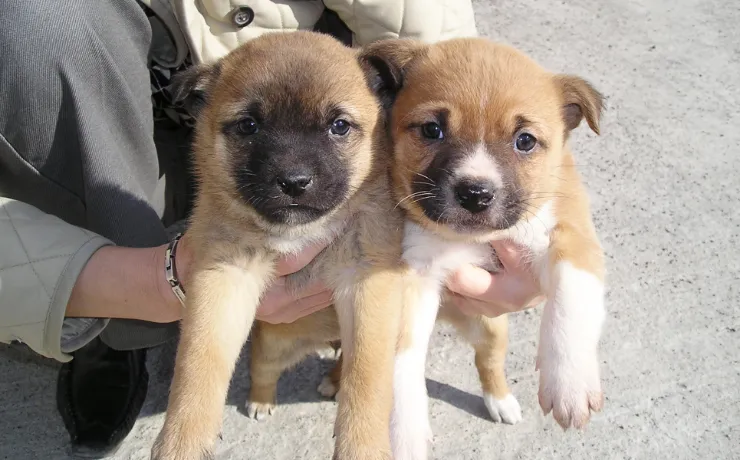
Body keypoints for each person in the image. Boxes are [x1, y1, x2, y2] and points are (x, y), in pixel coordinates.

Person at [0, 0, 542, 456]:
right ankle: (117, 330)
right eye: (247, 126)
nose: (294, 170)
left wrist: (465, 125)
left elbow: (414, 25)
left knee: (370, 286)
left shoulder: (369, 132)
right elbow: (223, 278)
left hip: (305, 56)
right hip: (120, 63)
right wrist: (185, 433)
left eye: (338, 127)